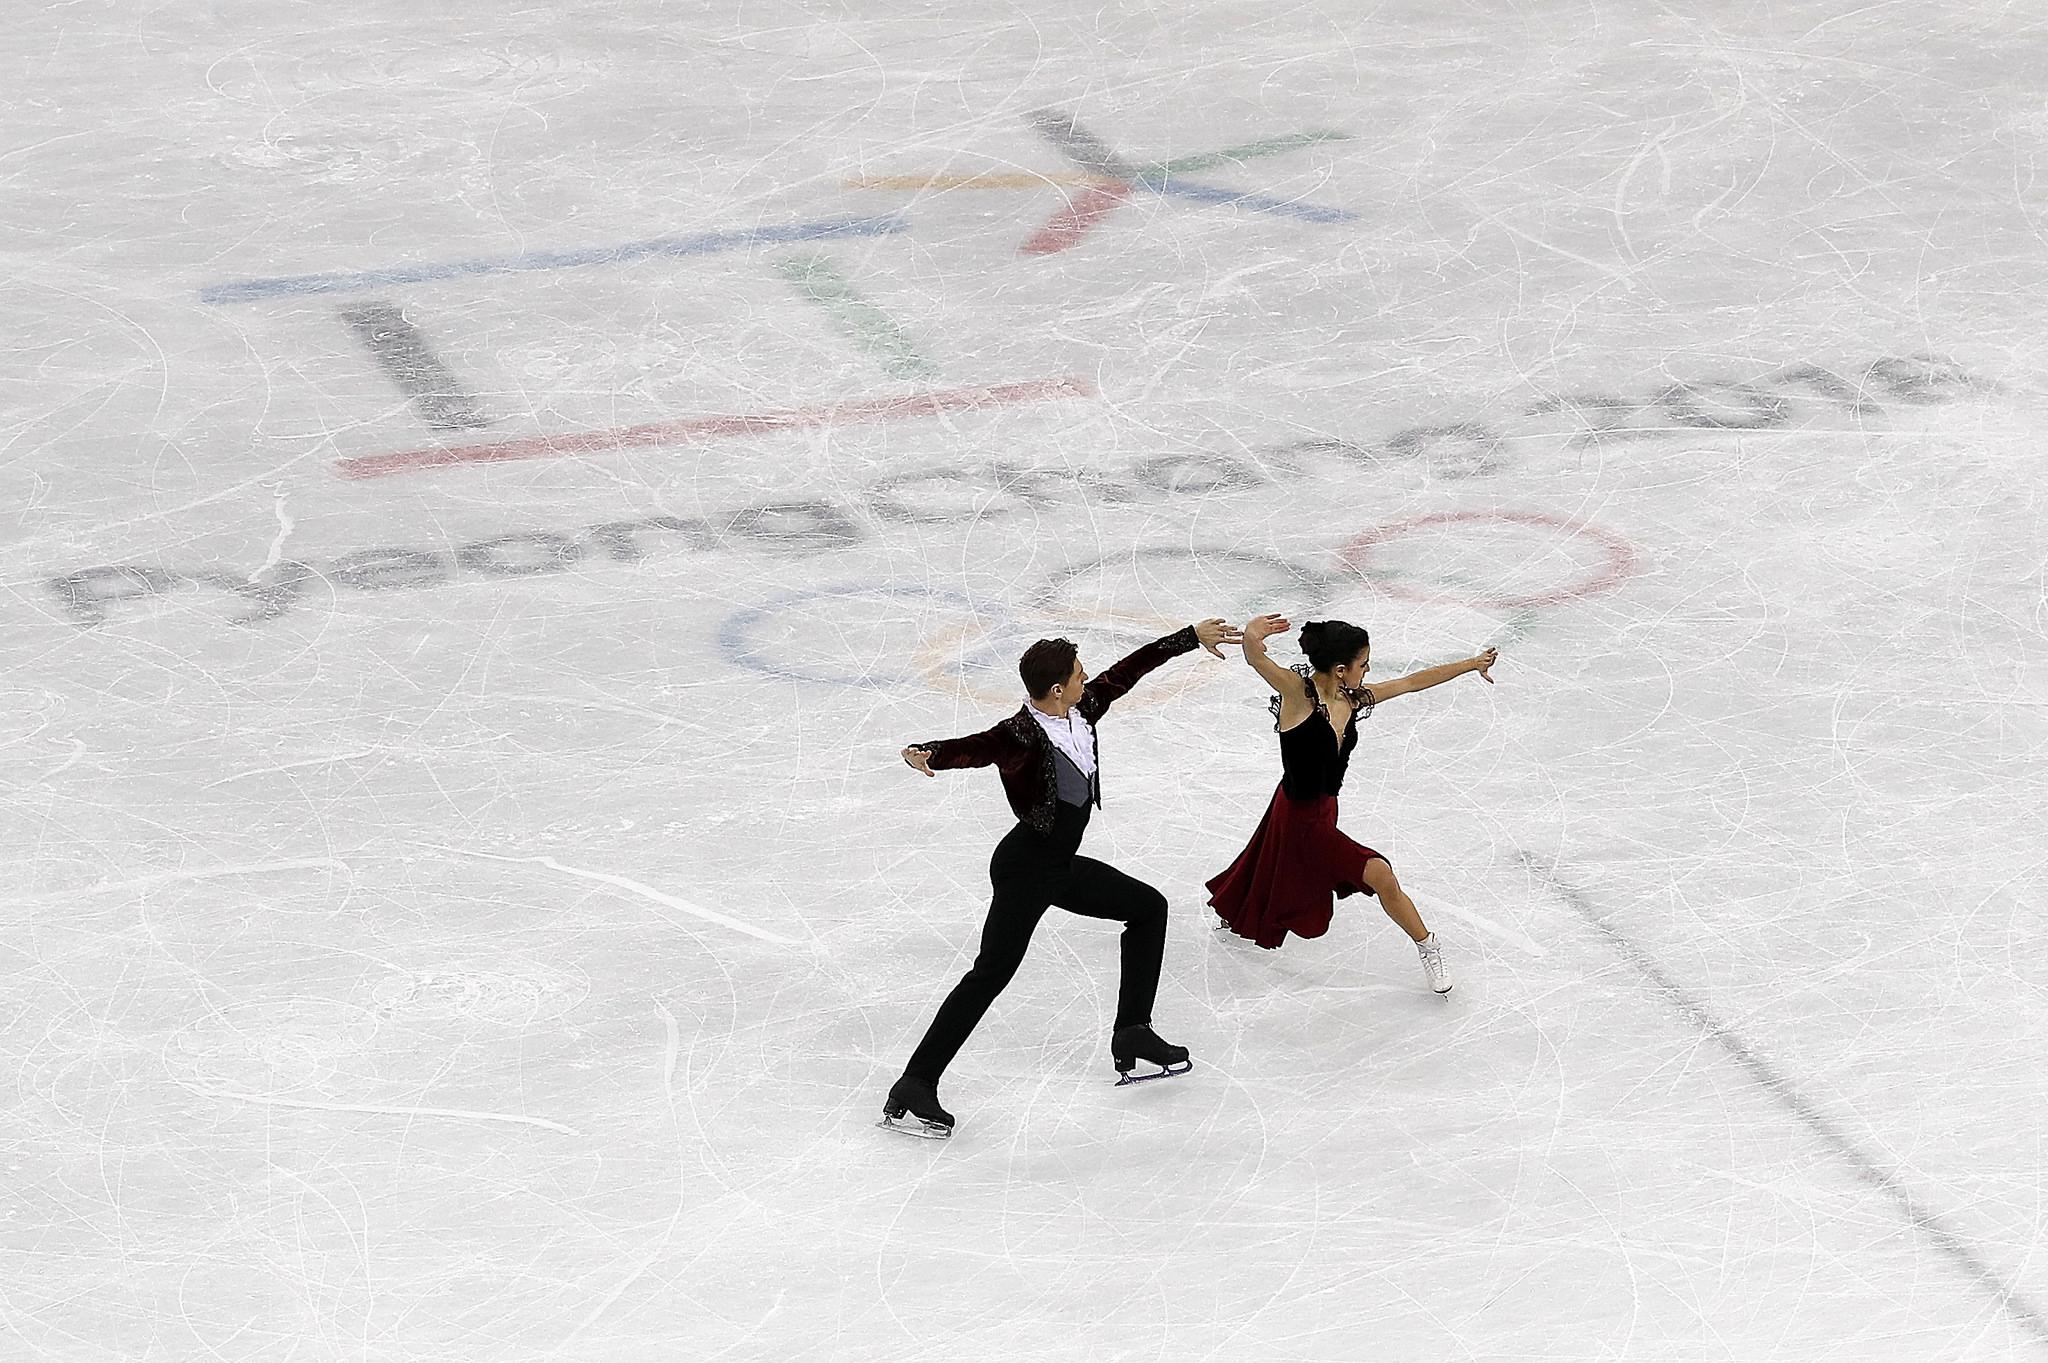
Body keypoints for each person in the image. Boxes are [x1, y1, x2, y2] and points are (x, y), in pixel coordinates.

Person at [882, 618, 1243, 1139]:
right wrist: (929, 752)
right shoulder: (1019, 735)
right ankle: (914, 1085)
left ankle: (1133, 1033)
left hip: (1059, 865)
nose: (1086, 678)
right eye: (1078, 673)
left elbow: (1128, 671)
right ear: (1056, 689)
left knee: (1147, 908)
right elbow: (974, 747)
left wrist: (1188, 638)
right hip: (1025, 869)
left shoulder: (1082, 708)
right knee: (991, 973)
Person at [1207, 614, 1497, 993]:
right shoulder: (1297, 695)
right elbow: (1257, 660)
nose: (1369, 671)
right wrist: (1251, 635)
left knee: (1268, 864)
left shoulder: (1353, 698)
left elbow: (1411, 682)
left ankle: (1236, 915)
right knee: (1380, 875)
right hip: (1298, 815)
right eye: (1364, 664)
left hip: (1317, 808)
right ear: (1342, 669)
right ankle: (1428, 944)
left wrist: (1471, 664)